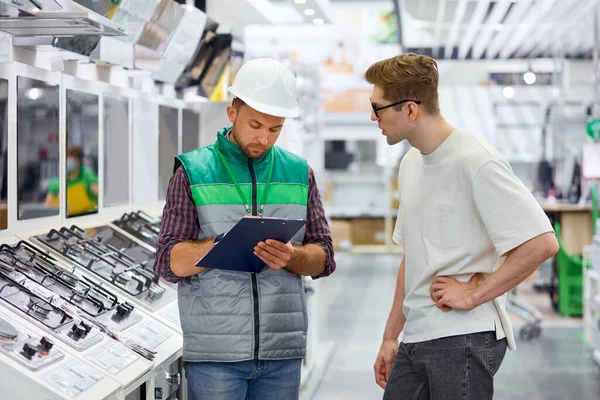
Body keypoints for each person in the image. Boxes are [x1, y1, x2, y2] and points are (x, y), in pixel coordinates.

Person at [366, 53, 559, 400]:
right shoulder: (411, 163)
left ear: (409, 110)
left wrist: (473, 294)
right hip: (417, 335)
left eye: (378, 107)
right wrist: (390, 336)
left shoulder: (476, 161)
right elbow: (414, 257)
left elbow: (542, 243)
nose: (372, 116)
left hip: (464, 338)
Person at [154, 58, 336, 400]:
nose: (264, 138)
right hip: (215, 357)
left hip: (282, 352)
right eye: (255, 125)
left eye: (275, 128)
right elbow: (168, 262)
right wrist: (225, 246)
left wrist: (292, 256)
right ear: (232, 112)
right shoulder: (193, 171)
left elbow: (324, 256)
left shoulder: (299, 172)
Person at [45, 145, 98, 216]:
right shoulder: (56, 182)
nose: (68, 161)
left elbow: (98, 193)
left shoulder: (87, 174)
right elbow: (46, 207)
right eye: (66, 158)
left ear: (78, 160)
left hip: (88, 218)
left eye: (71, 158)